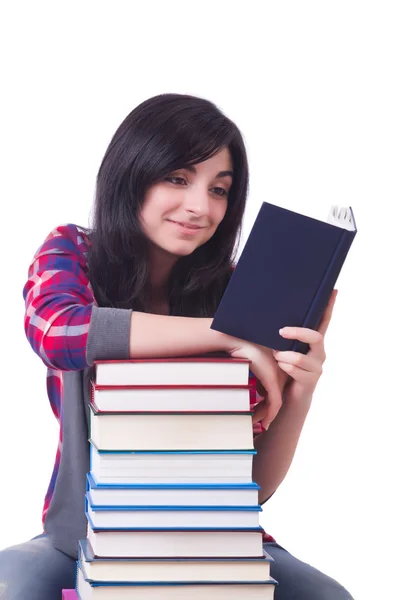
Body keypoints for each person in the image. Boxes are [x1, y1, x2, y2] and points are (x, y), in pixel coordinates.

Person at [0, 93, 354, 599]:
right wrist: (226, 332)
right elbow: (59, 332)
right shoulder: (73, 253)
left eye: (219, 190)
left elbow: (252, 484)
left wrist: (301, 389)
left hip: (217, 540)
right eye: (178, 179)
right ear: (132, 175)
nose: (199, 206)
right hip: (82, 539)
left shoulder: (239, 289)